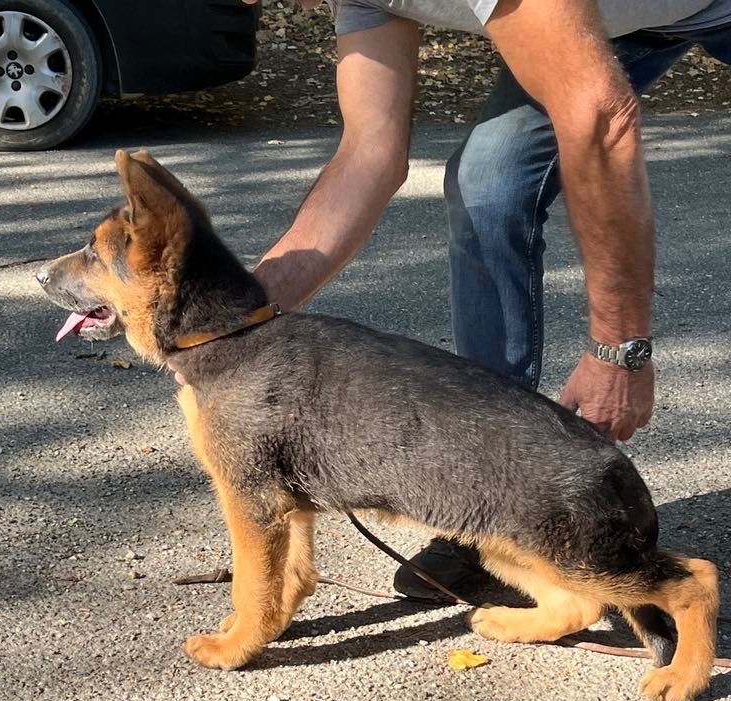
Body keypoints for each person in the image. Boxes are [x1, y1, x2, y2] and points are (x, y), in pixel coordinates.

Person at [240, 0, 731, 598]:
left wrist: (619, 349)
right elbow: (369, 155)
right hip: (623, 17)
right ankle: (496, 494)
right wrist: (235, 321)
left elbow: (601, 118)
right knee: (487, 186)